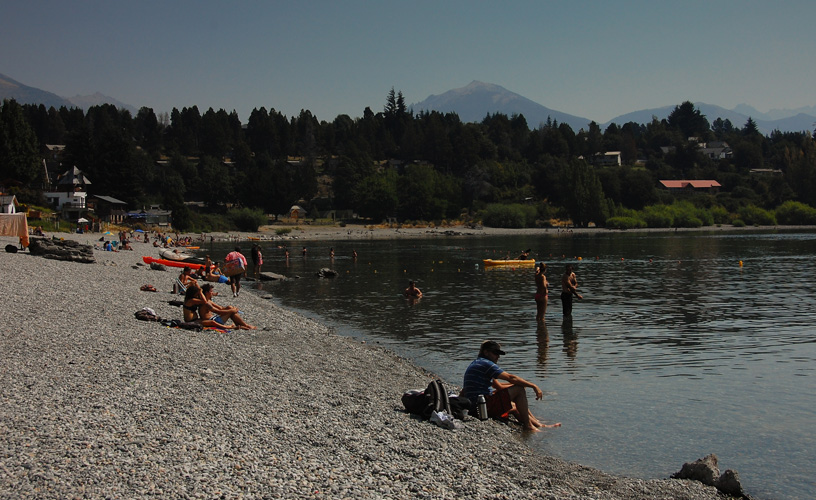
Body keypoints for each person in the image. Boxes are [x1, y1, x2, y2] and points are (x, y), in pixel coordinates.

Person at [462, 340, 560, 431]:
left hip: (475, 406)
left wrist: (519, 384)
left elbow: (498, 386)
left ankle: (538, 424)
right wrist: (533, 386)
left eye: (499, 354)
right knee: (519, 390)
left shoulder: (477, 363)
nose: (498, 357)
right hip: (482, 407)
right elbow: (510, 377)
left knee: (515, 401)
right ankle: (529, 425)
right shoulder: (486, 364)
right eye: (495, 353)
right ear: (486, 352)